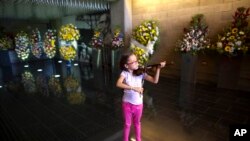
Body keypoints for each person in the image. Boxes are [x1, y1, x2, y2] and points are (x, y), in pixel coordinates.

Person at [116, 52, 166, 141]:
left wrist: (158, 69)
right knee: (127, 124)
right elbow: (118, 84)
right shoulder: (125, 73)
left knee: (137, 123)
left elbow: (155, 81)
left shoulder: (141, 73)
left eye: (137, 61)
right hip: (127, 103)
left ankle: (139, 139)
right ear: (126, 66)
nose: (137, 63)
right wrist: (133, 88)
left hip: (138, 104)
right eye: (133, 62)